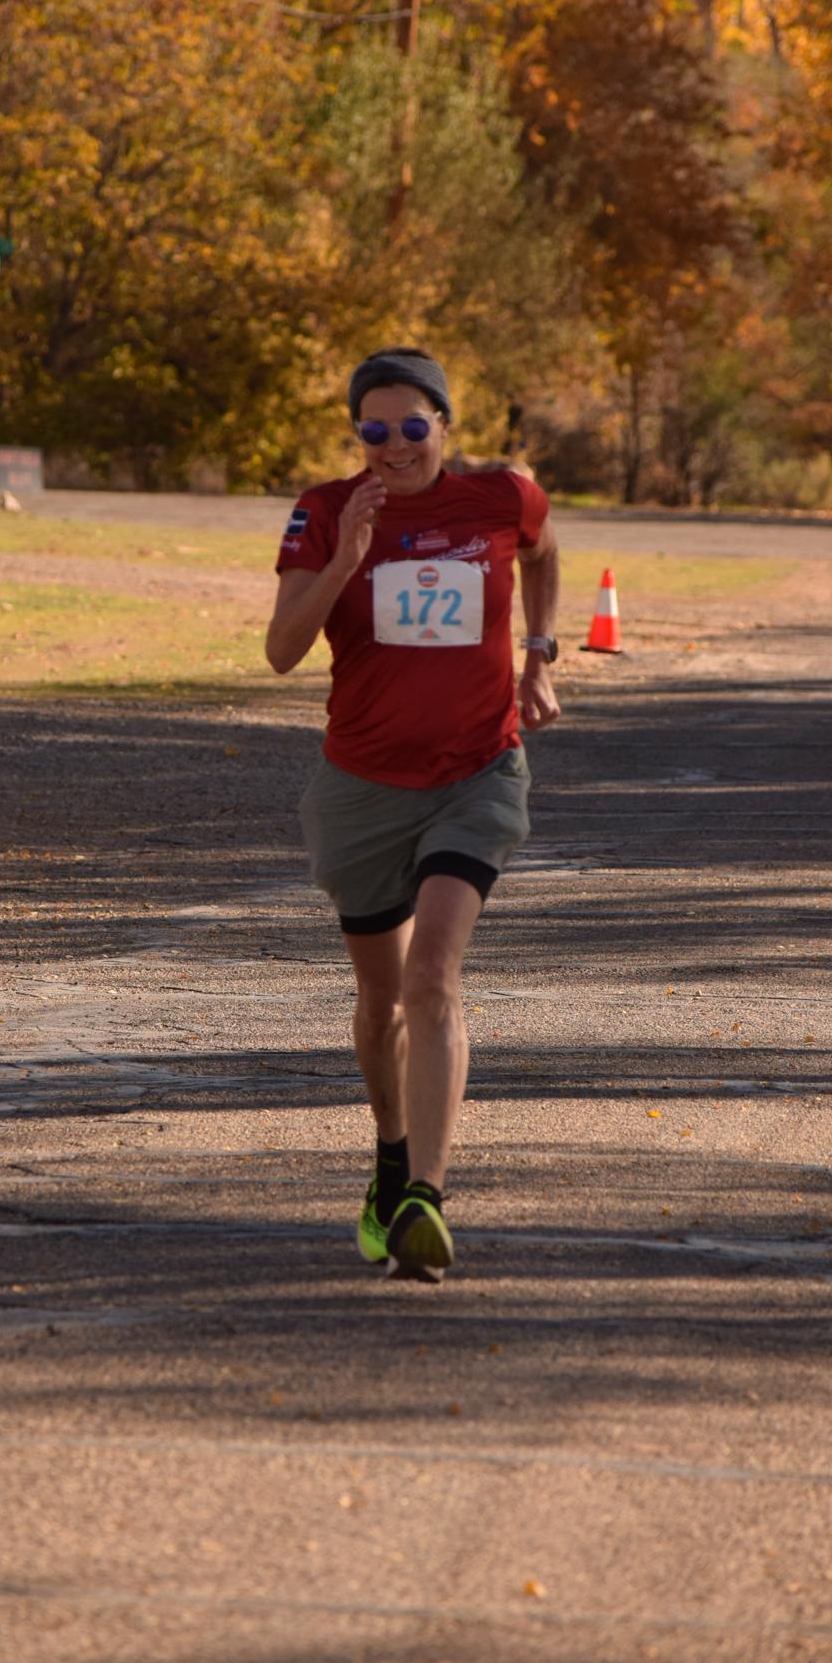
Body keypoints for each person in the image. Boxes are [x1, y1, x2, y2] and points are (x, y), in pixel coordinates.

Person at [265, 346, 561, 1282]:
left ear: (444, 426)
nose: (393, 445)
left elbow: (544, 551)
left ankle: (426, 1198)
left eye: (411, 426)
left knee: (432, 974)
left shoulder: (502, 497)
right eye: (373, 429)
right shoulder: (325, 511)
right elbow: (280, 651)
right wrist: (344, 559)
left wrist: (539, 655)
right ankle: (390, 1155)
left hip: (477, 773)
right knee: (380, 999)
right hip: (361, 785)